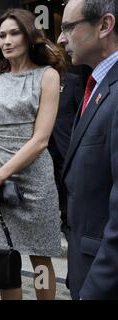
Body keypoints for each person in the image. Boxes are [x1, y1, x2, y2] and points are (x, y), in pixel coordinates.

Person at [0, 8, 65, 300]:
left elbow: (40, 140)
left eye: (14, 33)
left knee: (41, 259)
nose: (7, 40)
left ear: (29, 37)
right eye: (2, 35)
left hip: (35, 181)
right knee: (5, 260)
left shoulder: (47, 76)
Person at [57, 0, 118, 300]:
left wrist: (93, 291)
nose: (60, 38)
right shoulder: (95, 84)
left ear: (105, 26)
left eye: (68, 27)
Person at [47, 72, 83, 237]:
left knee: (68, 183)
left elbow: (81, 113)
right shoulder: (39, 80)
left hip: (65, 143)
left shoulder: (72, 80)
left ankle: (69, 222)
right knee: (54, 183)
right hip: (45, 144)